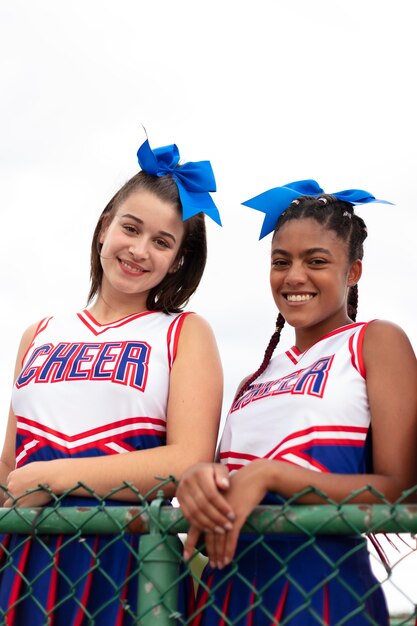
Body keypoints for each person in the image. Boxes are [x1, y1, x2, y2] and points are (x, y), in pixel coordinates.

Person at [0, 134, 224, 625]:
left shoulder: (183, 333)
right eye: (131, 228)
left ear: (178, 259)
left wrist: (52, 477)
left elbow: (189, 461)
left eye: (162, 242)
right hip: (25, 560)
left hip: (130, 559)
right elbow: (9, 470)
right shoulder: (38, 333)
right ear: (105, 228)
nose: (140, 250)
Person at [176, 180, 417, 625]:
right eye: (280, 262)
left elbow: (401, 493)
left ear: (354, 271)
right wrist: (201, 481)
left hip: (323, 596)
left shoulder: (375, 342)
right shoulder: (254, 378)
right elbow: (225, 493)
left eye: (317, 261)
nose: (294, 277)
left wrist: (274, 475)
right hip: (225, 599)